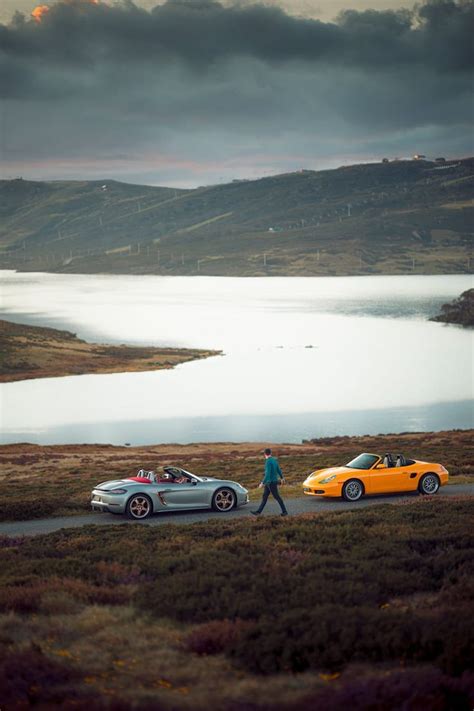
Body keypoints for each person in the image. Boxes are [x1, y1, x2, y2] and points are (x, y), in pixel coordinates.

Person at [251, 448, 288, 516]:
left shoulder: (268, 461)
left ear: (265, 454)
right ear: (270, 453)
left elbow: (267, 474)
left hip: (271, 483)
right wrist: (282, 478)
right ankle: (258, 512)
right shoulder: (274, 460)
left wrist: (262, 483)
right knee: (264, 497)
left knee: (277, 497)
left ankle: (285, 512)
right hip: (271, 483)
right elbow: (278, 470)